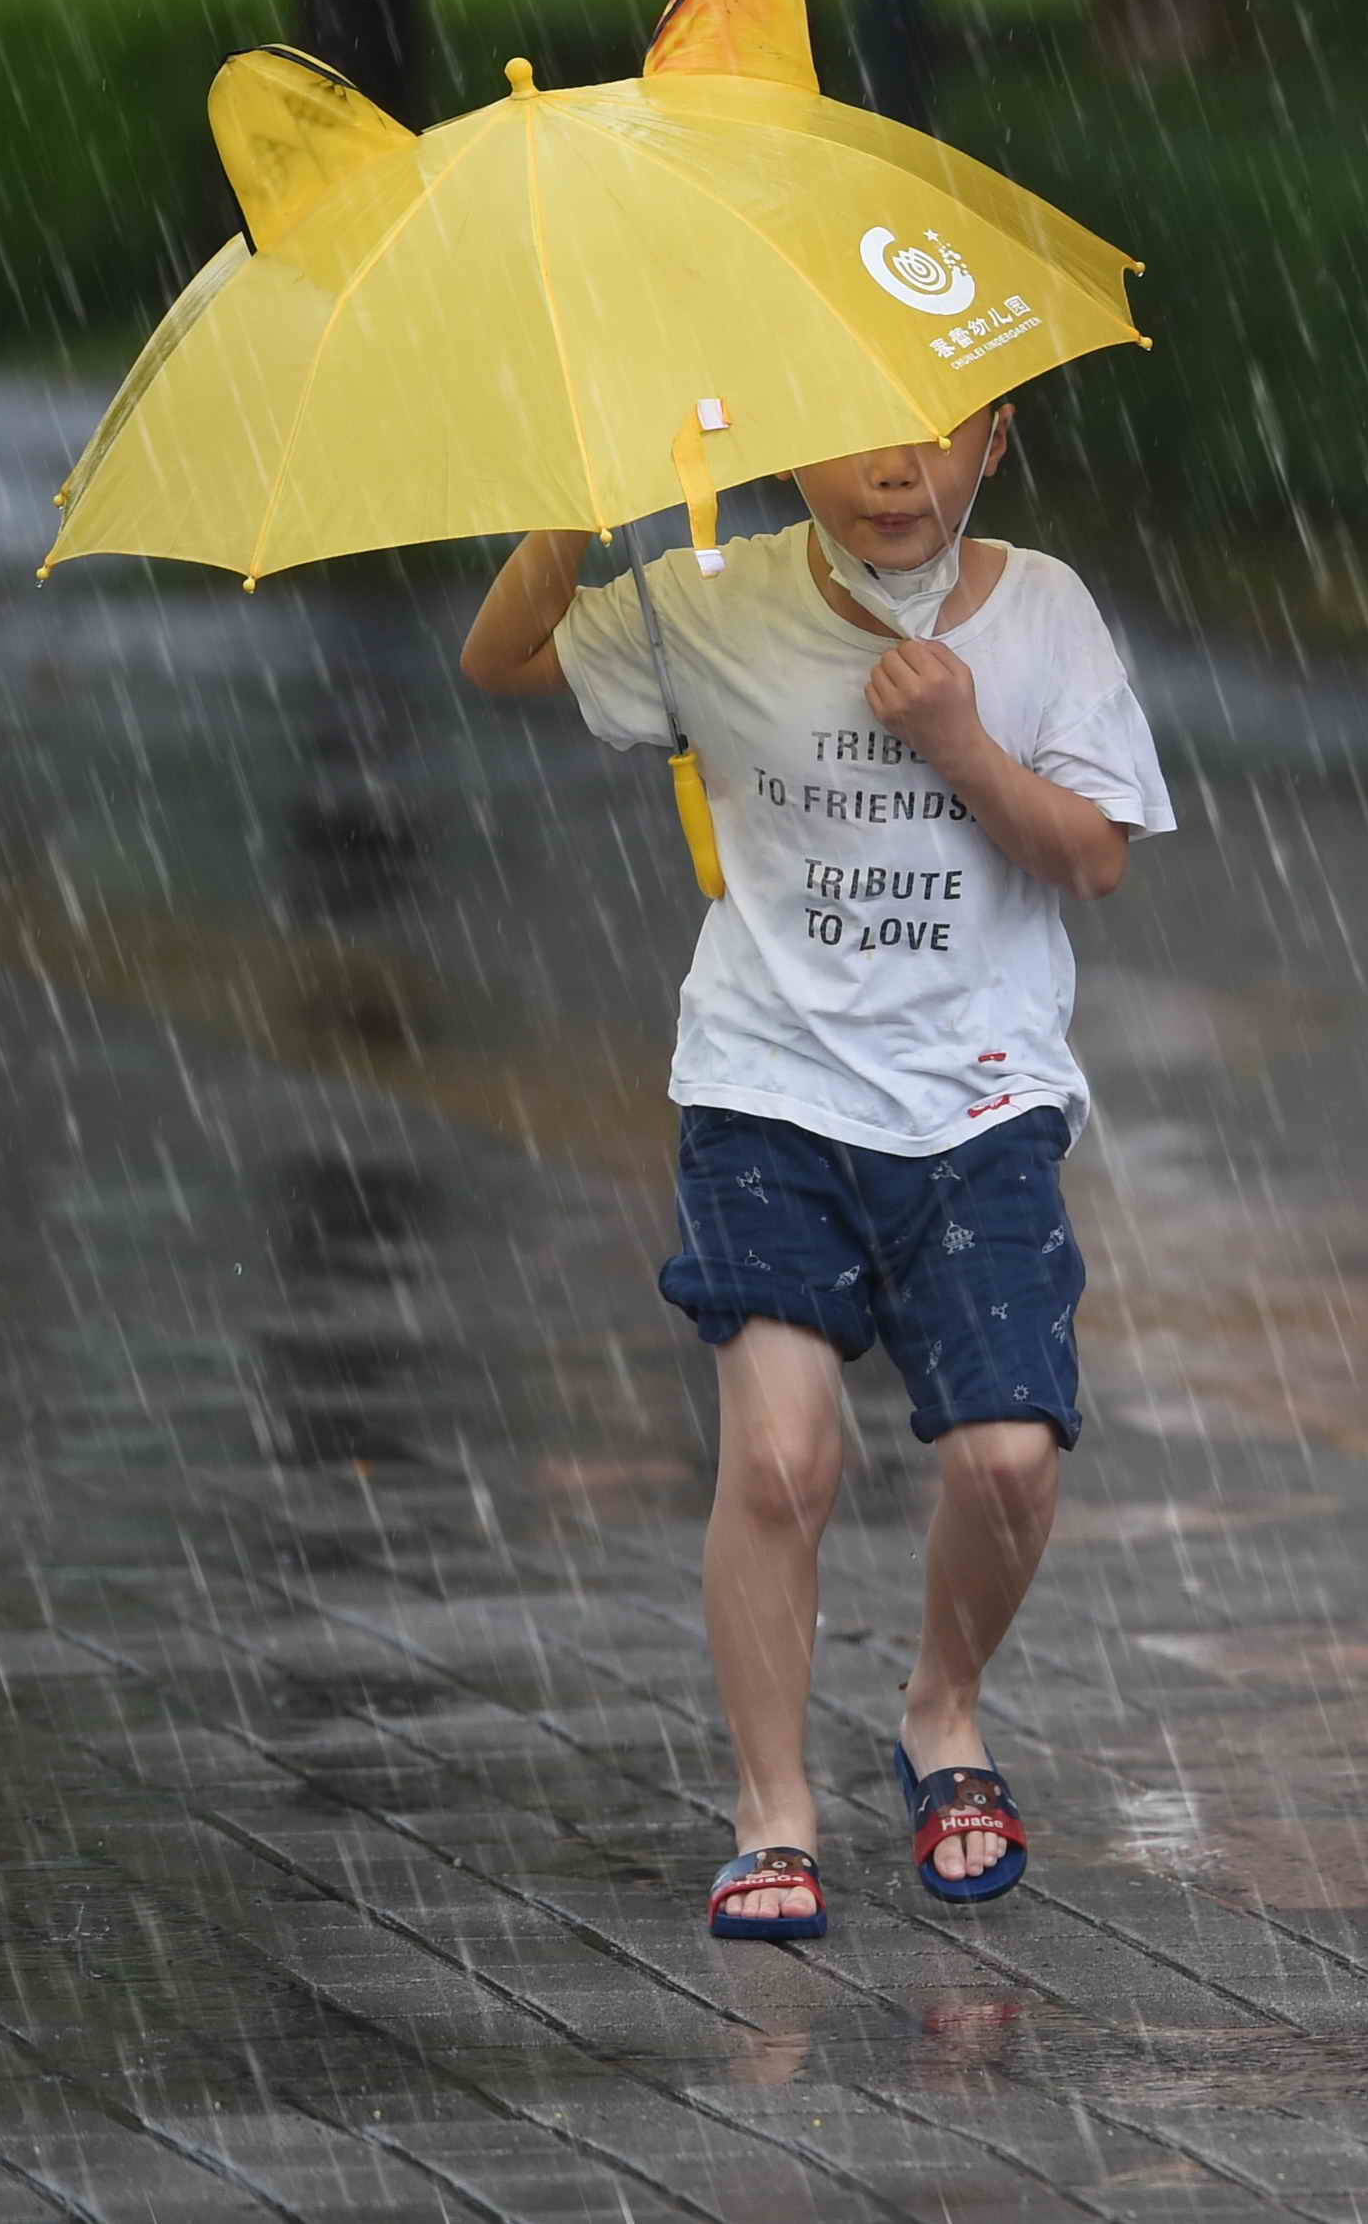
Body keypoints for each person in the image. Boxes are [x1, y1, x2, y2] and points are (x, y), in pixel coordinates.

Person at [460, 402, 1171, 1941]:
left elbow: (1096, 854)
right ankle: (771, 1809)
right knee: (781, 1460)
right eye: (852, 434)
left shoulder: (1043, 609)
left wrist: (961, 742)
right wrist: (573, 509)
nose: (896, 470)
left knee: (1007, 1459)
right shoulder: (705, 598)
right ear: (786, 447)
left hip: (982, 1105)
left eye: (933, 433)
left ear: (998, 436)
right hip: (764, 1088)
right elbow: (502, 664)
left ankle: (941, 1712)